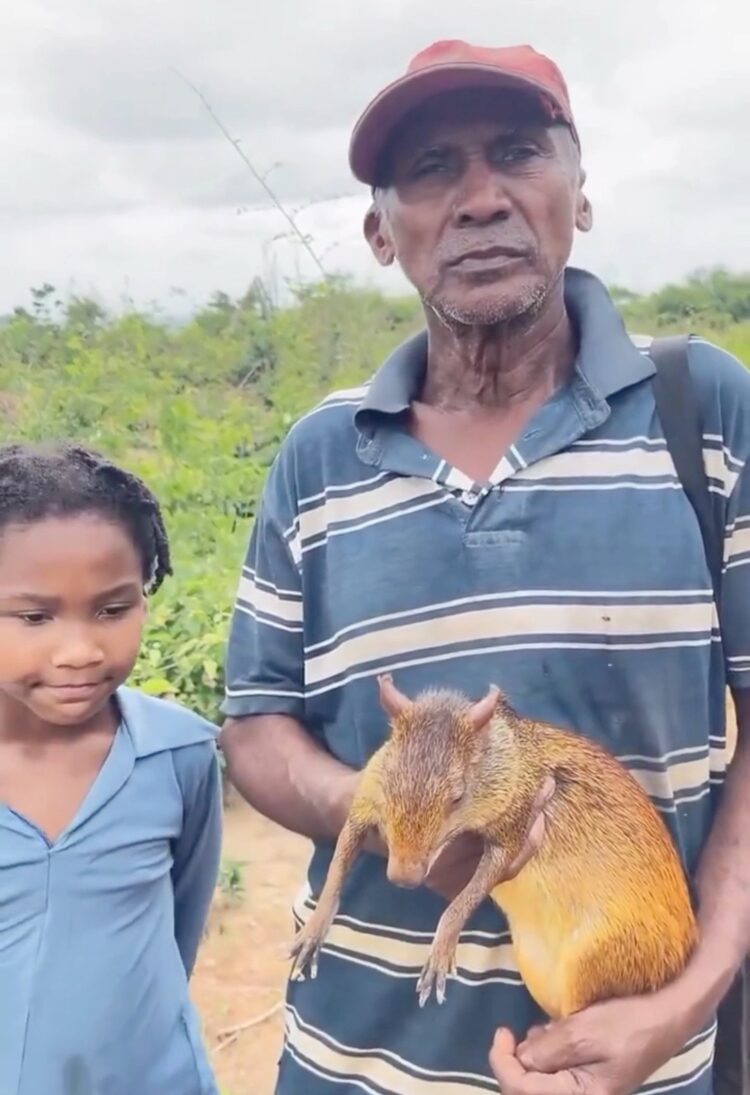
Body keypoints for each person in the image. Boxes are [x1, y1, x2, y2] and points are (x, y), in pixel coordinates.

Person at [220, 39, 750, 1095]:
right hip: (352, 1063)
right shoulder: (320, 455)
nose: (480, 199)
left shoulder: (705, 414)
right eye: (432, 170)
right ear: (383, 232)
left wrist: (691, 995)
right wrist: (386, 816)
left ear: (578, 195)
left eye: (518, 153)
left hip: (638, 1058)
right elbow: (255, 722)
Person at [0, 442, 222, 1095]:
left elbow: (181, 925)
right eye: (35, 616)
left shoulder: (177, 756)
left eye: (112, 609)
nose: (80, 650)